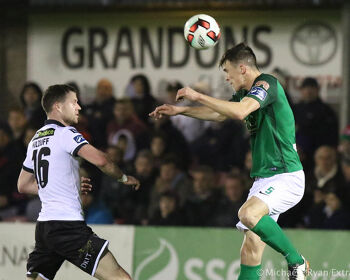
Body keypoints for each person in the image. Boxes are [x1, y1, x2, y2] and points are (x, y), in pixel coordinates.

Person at [150, 43, 309, 280]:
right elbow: (219, 113)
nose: (226, 78)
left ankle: (297, 262)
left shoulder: (267, 83)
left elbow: (240, 112)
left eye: (227, 71)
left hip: (285, 175)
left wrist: (197, 95)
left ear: (242, 68)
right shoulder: (244, 94)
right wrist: (180, 110)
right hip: (264, 178)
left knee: (247, 214)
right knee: (250, 248)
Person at [17, 84, 140, 280]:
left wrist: (64, 185)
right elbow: (102, 160)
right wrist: (123, 178)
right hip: (68, 227)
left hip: (45, 228)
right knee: (120, 278)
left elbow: (22, 185)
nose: (79, 107)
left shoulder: (36, 139)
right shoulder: (66, 133)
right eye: (74, 102)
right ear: (58, 106)